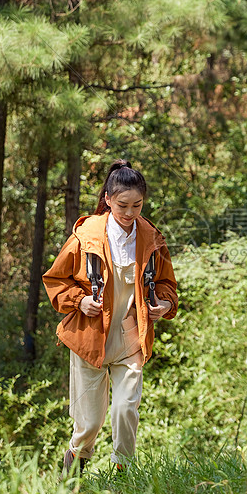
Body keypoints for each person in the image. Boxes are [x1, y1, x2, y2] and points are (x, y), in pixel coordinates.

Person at [43, 159, 178, 474]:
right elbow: (55, 280)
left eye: (137, 205)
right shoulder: (86, 236)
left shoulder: (152, 238)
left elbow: (167, 284)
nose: (130, 213)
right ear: (107, 199)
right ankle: (71, 478)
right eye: (123, 205)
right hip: (91, 337)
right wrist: (80, 301)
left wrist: (165, 306)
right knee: (89, 423)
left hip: (131, 335)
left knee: (125, 408)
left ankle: (124, 475)